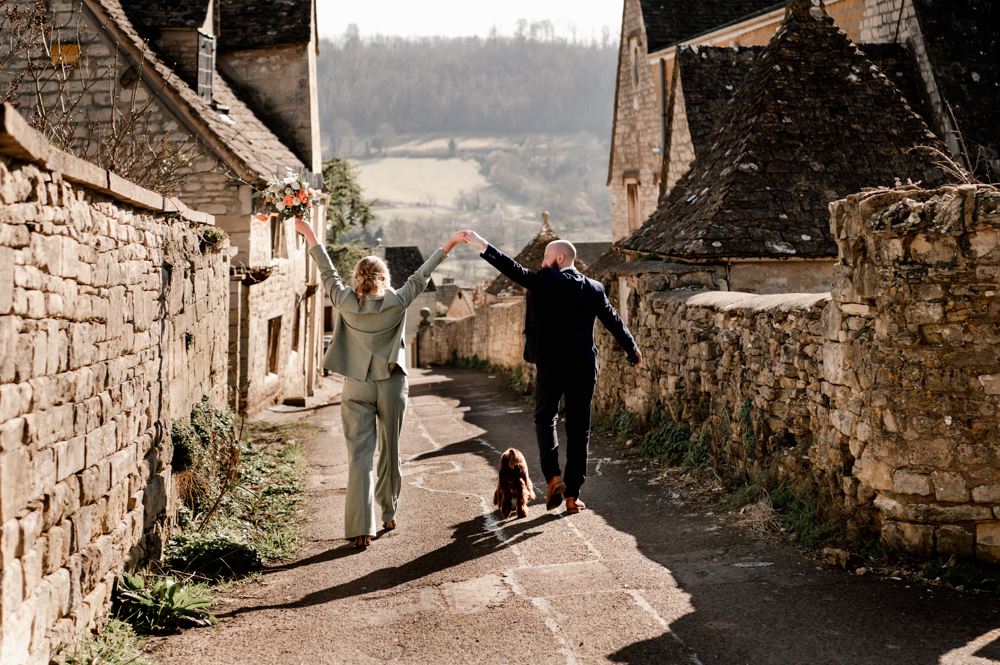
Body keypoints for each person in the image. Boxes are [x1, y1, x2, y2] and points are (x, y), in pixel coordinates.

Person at [296, 217, 466, 548]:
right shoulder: (398, 301)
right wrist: (450, 244)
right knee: (391, 448)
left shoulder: (344, 300)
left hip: (357, 385)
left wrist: (309, 231)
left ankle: (361, 528)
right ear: (385, 278)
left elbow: (325, 268)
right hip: (391, 383)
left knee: (359, 455)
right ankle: (389, 512)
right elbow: (422, 275)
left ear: (357, 279)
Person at [461, 230, 641, 514]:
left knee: (546, 419)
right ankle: (573, 497)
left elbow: (516, 271)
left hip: (552, 365)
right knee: (579, 430)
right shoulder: (594, 287)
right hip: (583, 366)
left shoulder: (548, 280)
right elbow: (613, 320)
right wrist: (632, 349)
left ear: (560, 258)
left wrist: (484, 246)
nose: (543, 263)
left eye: (546, 257)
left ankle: (554, 477)